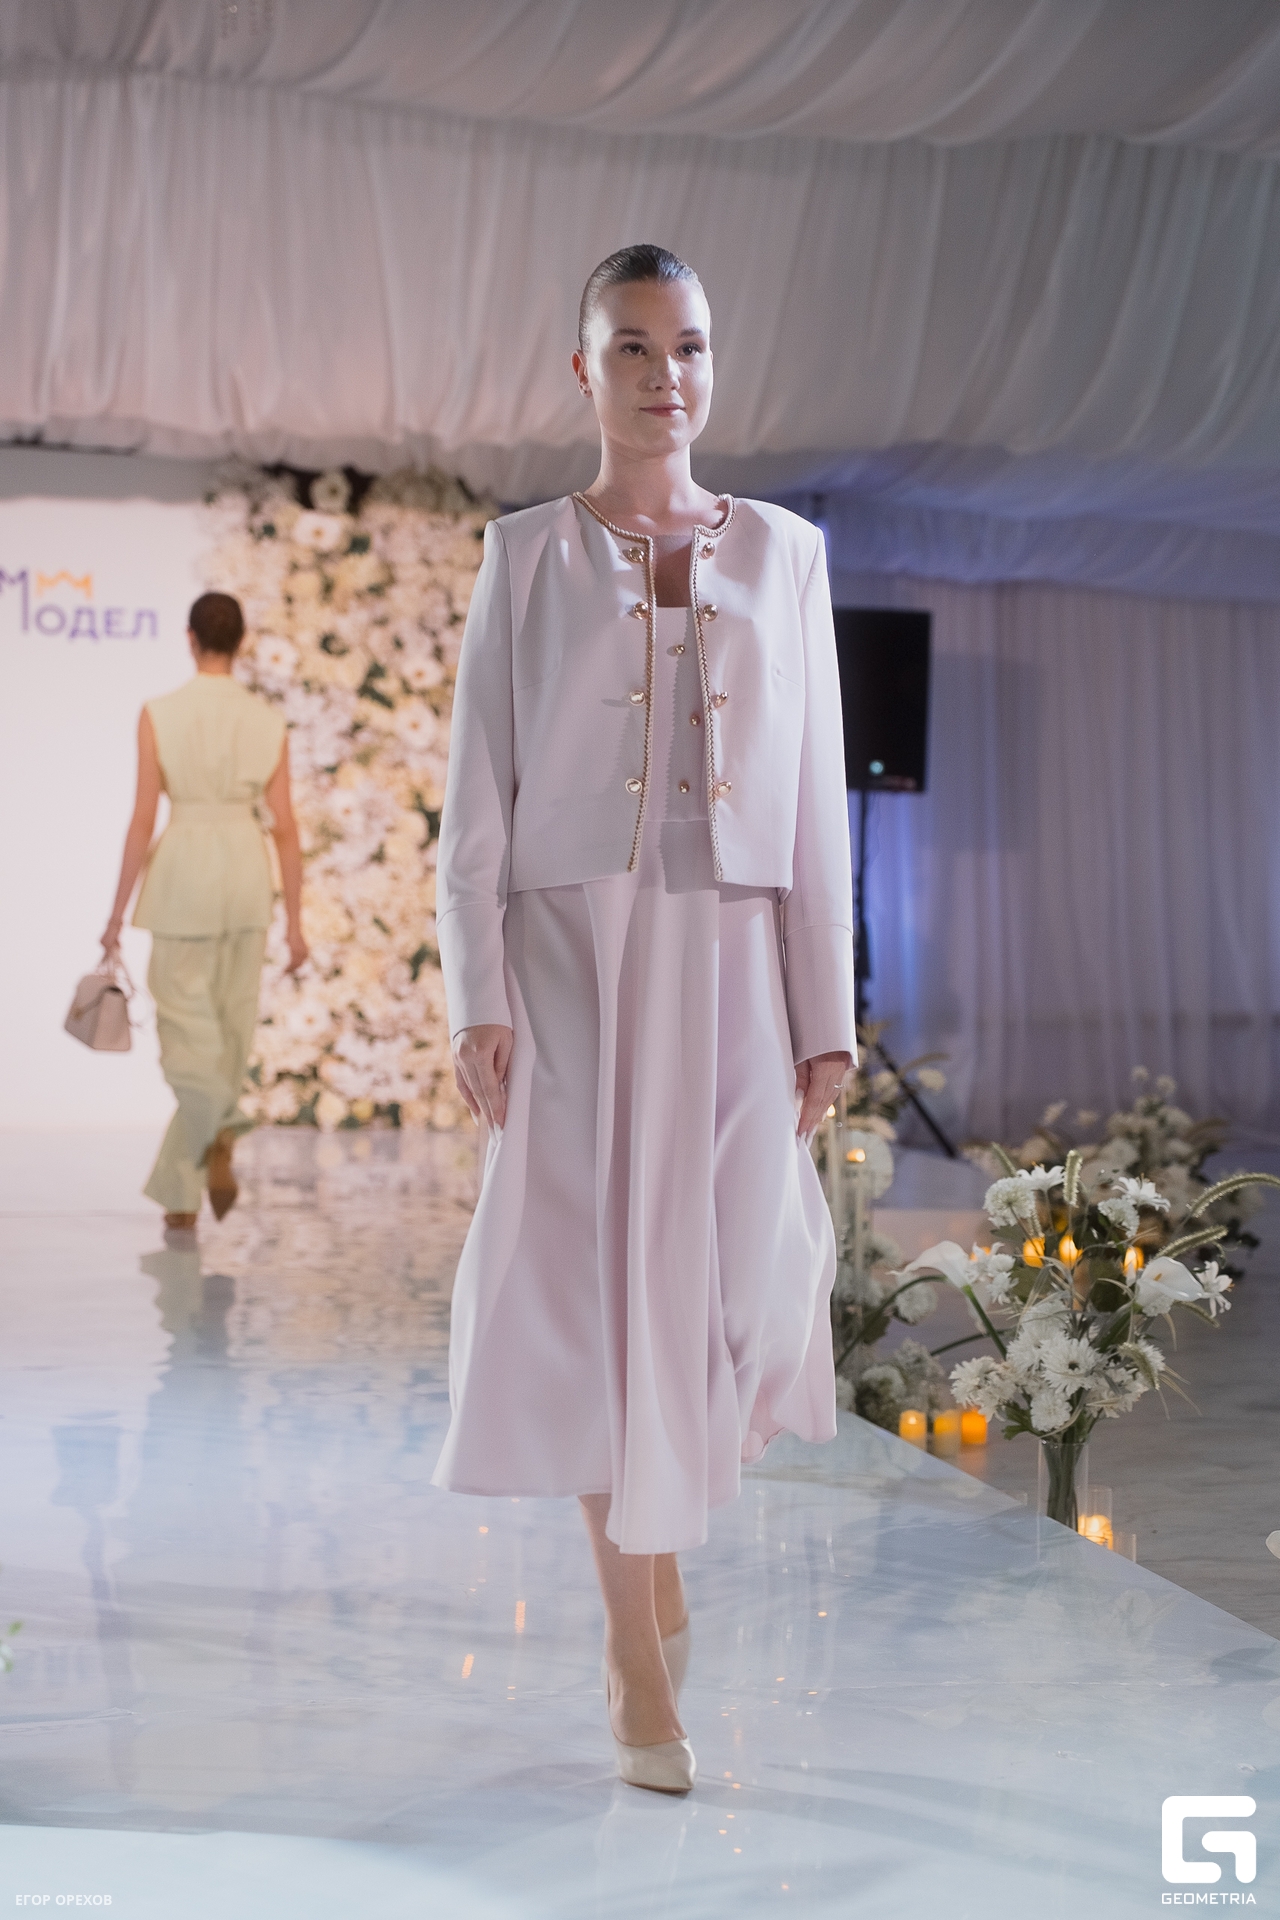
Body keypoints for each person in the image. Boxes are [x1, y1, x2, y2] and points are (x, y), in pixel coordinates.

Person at [433, 245, 855, 1793]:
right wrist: (477, 993)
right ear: (583, 369)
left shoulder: (788, 554)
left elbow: (814, 798)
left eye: (688, 347)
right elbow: (477, 797)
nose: (664, 375)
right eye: (632, 346)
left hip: (734, 955)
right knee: (599, 1278)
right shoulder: (525, 555)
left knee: (741, 1279)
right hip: (576, 953)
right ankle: (630, 1648)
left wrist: (826, 1011)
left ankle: (661, 1545)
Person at [101, 591, 307, 1236]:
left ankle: (214, 1140)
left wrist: (115, 916)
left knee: (189, 1036)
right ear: (240, 643)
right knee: (229, 1031)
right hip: (245, 878)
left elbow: (143, 818)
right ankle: (186, 1187)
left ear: (190, 638)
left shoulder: (159, 712)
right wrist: (296, 922)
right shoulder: (266, 720)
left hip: (182, 880)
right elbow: (285, 828)